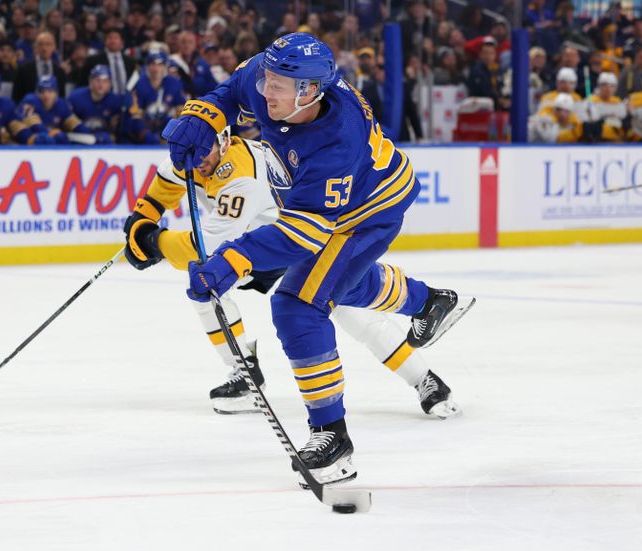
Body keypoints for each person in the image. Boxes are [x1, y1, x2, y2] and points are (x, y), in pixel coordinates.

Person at [161, 33, 472, 487]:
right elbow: (229, 92)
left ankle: (332, 436)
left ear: (308, 92)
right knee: (341, 288)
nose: (265, 90)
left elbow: (303, 235)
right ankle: (429, 302)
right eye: (266, 79)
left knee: (298, 304)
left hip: (367, 213)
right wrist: (202, 118)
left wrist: (233, 260)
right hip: (344, 200)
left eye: (277, 87)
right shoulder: (280, 76)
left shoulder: (335, 143)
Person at [124, 127, 462, 418]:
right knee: (206, 284)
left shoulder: (240, 177)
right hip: (257, 245)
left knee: (348, 310)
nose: (193, 161)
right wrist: (142, 219)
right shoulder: (189, 152)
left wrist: (153, 242)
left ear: (224, 141)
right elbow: (163, 188)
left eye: (200, 152)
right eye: (184, 152)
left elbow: (207, 245)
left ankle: (423, 376)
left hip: (298, 238)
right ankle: (244, 373)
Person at [68, 64, 142, 144]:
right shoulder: (76, 98)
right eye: (97, 80)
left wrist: (130, 107)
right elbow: (66, 121)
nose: (101, 85)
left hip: (104, 140)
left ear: (110, 84)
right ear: (90, 81)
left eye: (105, 81)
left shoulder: (116, 100)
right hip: (80, 139)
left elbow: (126, 127)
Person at [10, 74, 93, 145]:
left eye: (50, 91)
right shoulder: (30, 102)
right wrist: (51, 133)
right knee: (43, 140)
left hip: (48, 134)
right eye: (42, 92)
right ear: (37, 93)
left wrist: (92, 134)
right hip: (25, 133)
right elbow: (35, 126)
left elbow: (75, 124)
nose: (46, 95)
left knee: (60, 138)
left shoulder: (61, 104)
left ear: (56, 93)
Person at [133, 51, 186, 144]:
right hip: (147, 126)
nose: (156, 68)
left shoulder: (173, 83)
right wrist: (144, 132)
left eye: (159, 64)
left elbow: (182, 107)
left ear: (165, 66)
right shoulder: (140, 84)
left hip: (167, 124)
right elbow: (136, 114)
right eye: (152, 64)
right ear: (147, 66)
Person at [12, 31, 65, 103]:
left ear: (54, 47)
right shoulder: (23, 70)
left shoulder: (60, 72)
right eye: (40, 44)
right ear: (35, 47)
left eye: (48, 44)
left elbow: (61, 98)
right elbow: (16, 97)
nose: (44, 48)